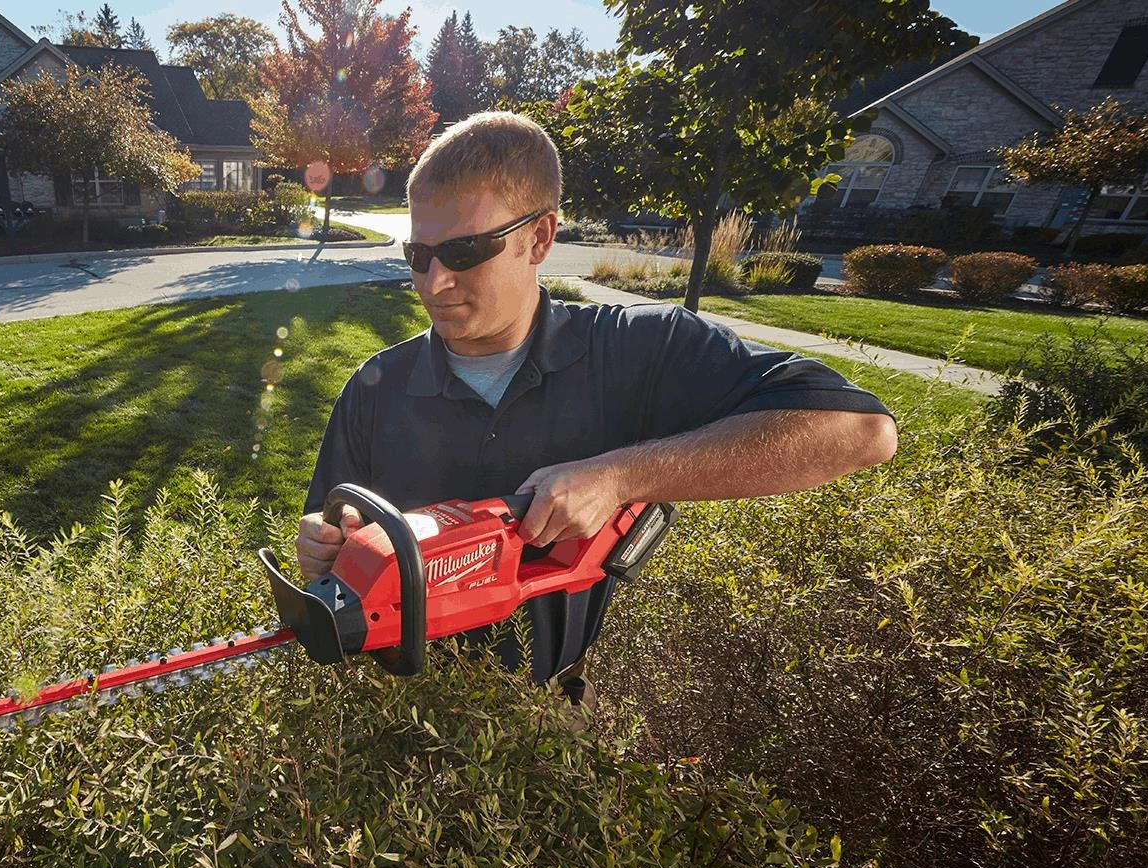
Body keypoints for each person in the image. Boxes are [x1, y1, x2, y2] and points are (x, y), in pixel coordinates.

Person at [294, 111, 898, 700]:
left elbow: (861, 431)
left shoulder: (639, 349)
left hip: (550, 707)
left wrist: (618, 478)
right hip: (394, 704)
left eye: (463, 253)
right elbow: (329, 524)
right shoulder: (376, 385)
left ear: (539, 238)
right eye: (418, 256)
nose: (434, 284)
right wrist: (324, 547)